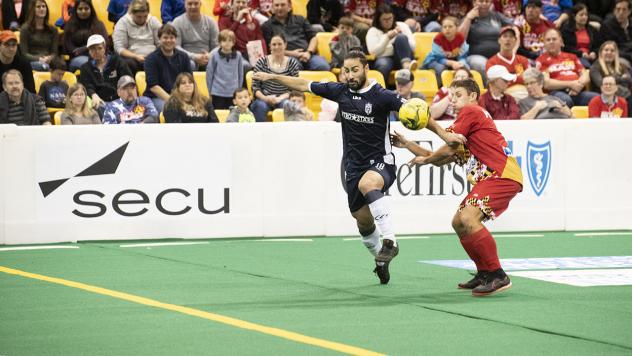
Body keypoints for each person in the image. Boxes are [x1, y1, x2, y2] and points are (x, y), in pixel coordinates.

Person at [252, 50, 466, 285]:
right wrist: (271, 77)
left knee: (369, 184)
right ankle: (380, 260)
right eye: (346, 70)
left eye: (355, 70)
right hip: (353, 166)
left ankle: (391, 241)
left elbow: (421, 115)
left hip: (381, 161)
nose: (350, 75)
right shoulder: (340, 92)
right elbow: (303, 83)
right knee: (362, 221)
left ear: (366, 69)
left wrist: (444, 134)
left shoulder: (382, 96)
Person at [398, 78, 523, 296]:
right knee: (459, 222)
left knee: (468, 218)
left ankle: (498, 275)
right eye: (451, 95)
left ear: (473, 96)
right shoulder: (464, 130)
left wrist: (429, 122)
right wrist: (408, 144)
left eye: (458, 95)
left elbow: (449, 147)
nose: (452, 100)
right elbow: (437, 157)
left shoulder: (472, 111)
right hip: (490, 179)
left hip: (501, 175)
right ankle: (484, 272)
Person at [536, 28, 599, 107]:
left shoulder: (572, 57)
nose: (551, 42)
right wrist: (570, 84)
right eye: (548, 40)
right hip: (556, 92)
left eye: (554, 39)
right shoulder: (541, 60)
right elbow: (547, 83)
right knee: (566, 100)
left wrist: (578, 85)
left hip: (577, 91)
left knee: (597, 98)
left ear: (561, 41)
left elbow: (585, 75)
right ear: (544, 44)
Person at [261, 0, 330, 71]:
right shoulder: (266, 26)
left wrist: (309, 52)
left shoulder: (300, 19)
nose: (279, 8)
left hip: (308, 55)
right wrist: (293, 54)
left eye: (283, 5)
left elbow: (313, 38)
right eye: (276, 5)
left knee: (323, 66)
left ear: (289, 7)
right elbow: (271, 49)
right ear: (272, 8)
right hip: (284, 56)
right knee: (294, 66)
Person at [251, 33, 301, 122]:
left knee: (289, 104)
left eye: (279, 44)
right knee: (259, 106)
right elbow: (255, 87)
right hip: (264, 98)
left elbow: (294, 88)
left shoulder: (292, 63)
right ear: (270, 46)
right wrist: (265, 98)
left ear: (285, 45)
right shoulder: (261, 62)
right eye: (274, 44)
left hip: (284, 98)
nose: (277, 47)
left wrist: (280, 98)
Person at [79, 34, 133, 117]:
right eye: (92, 49)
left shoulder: (118, 62)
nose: (96, 52)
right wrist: (93, 95)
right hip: (100, 102)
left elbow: (128, 81)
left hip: (119, 100)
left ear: (104, 48)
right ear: (88, 51)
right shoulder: (85, 68)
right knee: (97, 107)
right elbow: (86, 86)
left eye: (99, 48)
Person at [143, 24, 192, 113]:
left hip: (180, 96)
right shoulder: (150, 59)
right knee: (171, 110)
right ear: (159, 39)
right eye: (165, 38)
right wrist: (174, 101)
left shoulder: (184, 56)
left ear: (175, 39)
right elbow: (154, 87)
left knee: (201, 106)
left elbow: (189, 80)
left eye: (172, 37)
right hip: (156, 97)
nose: (169, 40)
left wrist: (186, 99)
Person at [458, 0, 514, 78]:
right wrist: (468, 19)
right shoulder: (468, 18)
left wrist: (513, 48)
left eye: (487, 1)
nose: (484, 4)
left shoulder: (496, 16)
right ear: (474, 3)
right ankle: (491, 89)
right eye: (481, 1)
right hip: (475, 56)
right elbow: (459, 39)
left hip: (498, 55)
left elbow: (514, 28)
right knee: (483, 65)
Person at [367, 4, 418, 84]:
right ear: (378, 19)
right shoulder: (373, 31)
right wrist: (388, 38)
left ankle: (406, 66)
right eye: (384, 19)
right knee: (383, 65)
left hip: (403, 57)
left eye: (390, 18)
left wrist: (400, 40)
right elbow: (374, 52)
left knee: (401, 37)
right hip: (385, 58)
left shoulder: (402, 26)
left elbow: (413, 47)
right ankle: (382, 91)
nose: (388, 21)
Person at [112, 0, 161, 74]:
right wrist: (136, 56)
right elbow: (119, 48)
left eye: (145, 16)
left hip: (153, 56)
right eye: (139, 17)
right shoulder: (122, 22)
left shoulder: (153, 20)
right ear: (131, 13)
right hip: (132, 57)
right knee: (127, 63)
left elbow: (160, 43)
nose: (142, 19)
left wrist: (155, 56)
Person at [218, 0, 268, 69]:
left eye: (243, 2)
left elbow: (261, 40)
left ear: (247, 6)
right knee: (245, 66)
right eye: (238, 2)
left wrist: (264, 58)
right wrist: (237, 20)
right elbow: (225, 38)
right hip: (233, 54)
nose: (241, 5)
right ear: (232, 5)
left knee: (266, 67)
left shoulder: (254, 22)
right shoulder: (224, 21)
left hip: (252, 54)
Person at [172, 0, 220, 71]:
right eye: (190, 4)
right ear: (185, 5)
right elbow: (176, 46)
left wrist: (210, 56)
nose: (193, 6)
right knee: (190, 64)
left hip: (207, 58)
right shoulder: (177, 22)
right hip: (187, 58)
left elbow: (217, 46)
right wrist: (194, 57)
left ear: (200, 4)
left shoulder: (211, 22)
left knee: (217, 63)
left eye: (196, 3)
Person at [485, 26, 530, 100]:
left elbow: (529, 79)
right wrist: (519, 77)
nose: (508, 39)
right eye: (505, 36)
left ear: (515, 40)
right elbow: (496, 85)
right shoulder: (491, 62)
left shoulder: (523, 60)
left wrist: (506, 79)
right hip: (503, 96)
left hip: (524, 93)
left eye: (511, 37)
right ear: (499, 40)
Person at [63, 0, 109, 71]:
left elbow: (104, 43)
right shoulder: (69, 26)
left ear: (91, 10)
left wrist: (84, 49)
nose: (83, 11)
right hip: (78, 58)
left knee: (116, 62)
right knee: (92, 64)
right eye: (80, 9)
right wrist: (90, 48)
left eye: (86, 8)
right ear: (76, 10)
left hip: (99, 55)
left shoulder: (99, 25)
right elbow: (70, 48)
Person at [422, 16, 468, 86]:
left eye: (450, 26)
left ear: (457, 28)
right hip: (434, 60)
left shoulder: (460, 38)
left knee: (465, 67)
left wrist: (461, 64)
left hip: (453, 61)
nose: (447, 29)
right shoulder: (438, 39)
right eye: (445, 27)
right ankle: (441, 87)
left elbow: (462, 55)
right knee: (441, 68)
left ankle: (463, 86)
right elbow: (438, 58)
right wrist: (452, 63)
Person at [590, 41, 632, 114]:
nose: (609, 52)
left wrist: (611, 80)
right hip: (603, 96)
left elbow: (628, 79)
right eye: (606, 50)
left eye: (612, 51)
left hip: (624, 95)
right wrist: (620, 78)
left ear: (616, 53)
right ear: (601, 52)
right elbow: (600, 83)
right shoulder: (595, 67)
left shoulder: (621, 66)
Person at [206, 29, 244, 110]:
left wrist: (239, 90)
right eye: (224, 40)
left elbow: (241, 73)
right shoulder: (214, 55)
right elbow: (209, 74)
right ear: (219, 42)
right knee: (218, 116)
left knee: (232, 116)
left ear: (233, 42)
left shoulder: (238, 56)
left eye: (230, 40)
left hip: (233, 93)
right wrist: (209, 91)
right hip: (217, 92)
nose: (227, 43)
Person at [19, 0, 60, 71]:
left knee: (61, 65)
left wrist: (49, 58)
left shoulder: (53, 29)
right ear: (32, 10)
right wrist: (39, 59)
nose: (42, 9)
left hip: (49, 61)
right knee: (42, 66)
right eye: (38, 7)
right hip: (32, 61)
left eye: (43, 6)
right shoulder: (25, 29)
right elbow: (24, 54)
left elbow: (55, 52)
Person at [560, 3, 600, 69]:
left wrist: (594, 53)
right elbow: (566, 48)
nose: (584, 17)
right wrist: (581, 54)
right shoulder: (566, 30)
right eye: (581, 15)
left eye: (586, 15)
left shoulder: (592, 30)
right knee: (587, 66)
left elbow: (598, 46)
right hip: (575, 57)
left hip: (591, 57)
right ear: (574, 16)